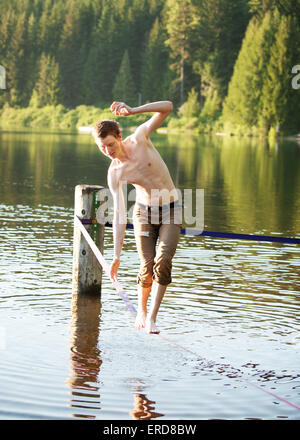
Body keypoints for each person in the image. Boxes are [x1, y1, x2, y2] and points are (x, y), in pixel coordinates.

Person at [92, 101, 181, 334]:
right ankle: (141, 311)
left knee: (163, 262)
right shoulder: (115, 173)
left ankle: (152, 317)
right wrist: (116, 255)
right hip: (143, 213)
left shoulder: (140, 138)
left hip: (172, 210)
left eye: (110, 144)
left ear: (119, 136)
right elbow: (120, 215)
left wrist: (133, 111)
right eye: (102, 148)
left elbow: (168, 107)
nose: (108, 151)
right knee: (147, 265)